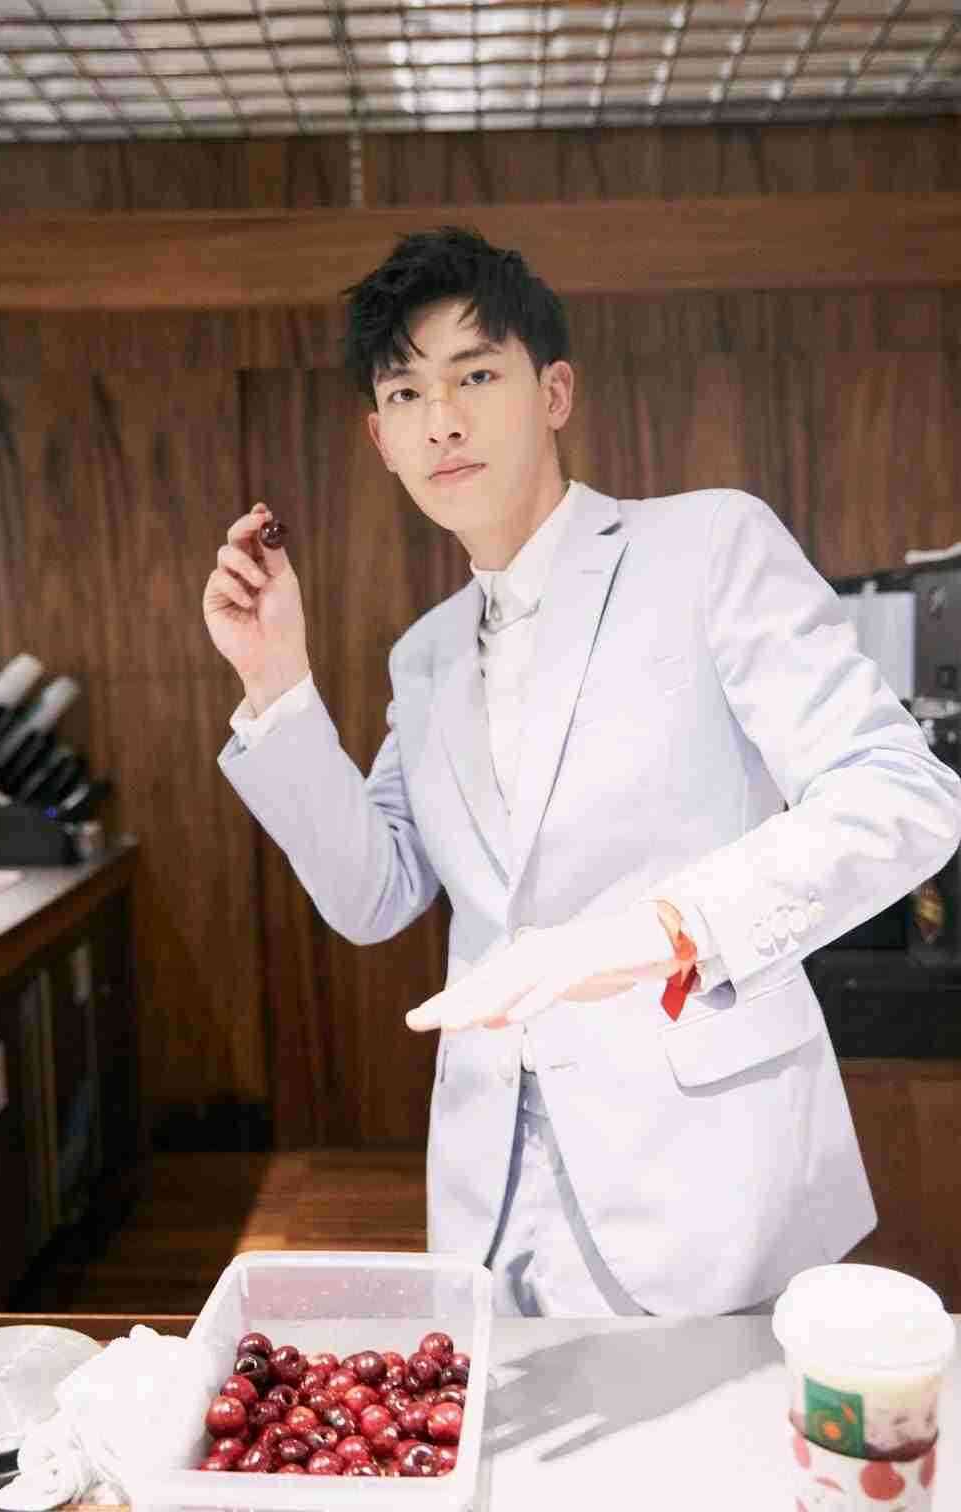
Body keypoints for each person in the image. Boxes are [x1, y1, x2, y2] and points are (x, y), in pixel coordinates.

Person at [202, 225, 961, 1317]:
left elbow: (901, 790)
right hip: (493, 1209)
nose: (442, 419)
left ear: (553, 392)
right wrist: (276, 680)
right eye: (406, 394)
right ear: (381, 439)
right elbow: (375, 894)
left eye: (476, 375)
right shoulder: (424, 657)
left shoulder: (709, 547)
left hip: (707, 1190)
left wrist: (661, 929)